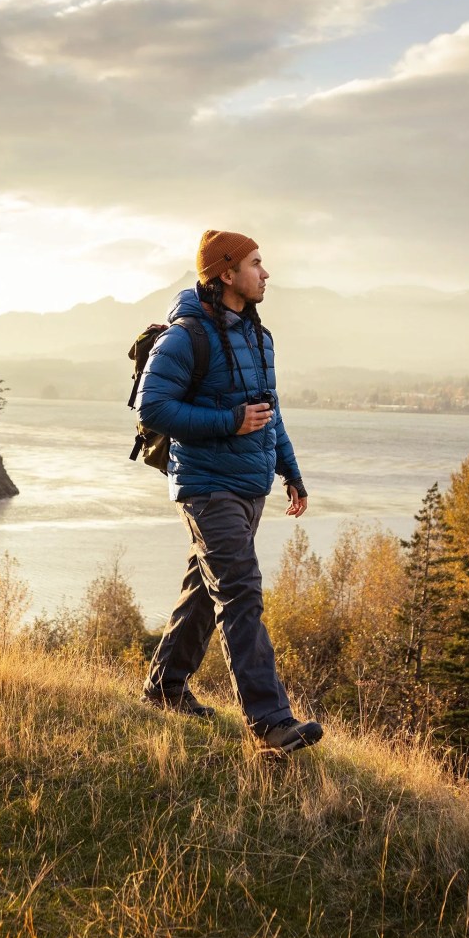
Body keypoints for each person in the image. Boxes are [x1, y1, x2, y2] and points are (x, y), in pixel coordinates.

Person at [135, 229, 323, 755]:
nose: (266, 273)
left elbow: (270, 414)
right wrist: (229, 420)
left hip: (250, 485)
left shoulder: (260, 337)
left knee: (205, 590)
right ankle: (270, 723)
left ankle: (165, 687)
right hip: (205, 485)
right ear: (225, 273)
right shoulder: (184, 337)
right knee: (241, 591)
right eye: (256, 263)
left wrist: (292, 471)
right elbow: (152, 409)